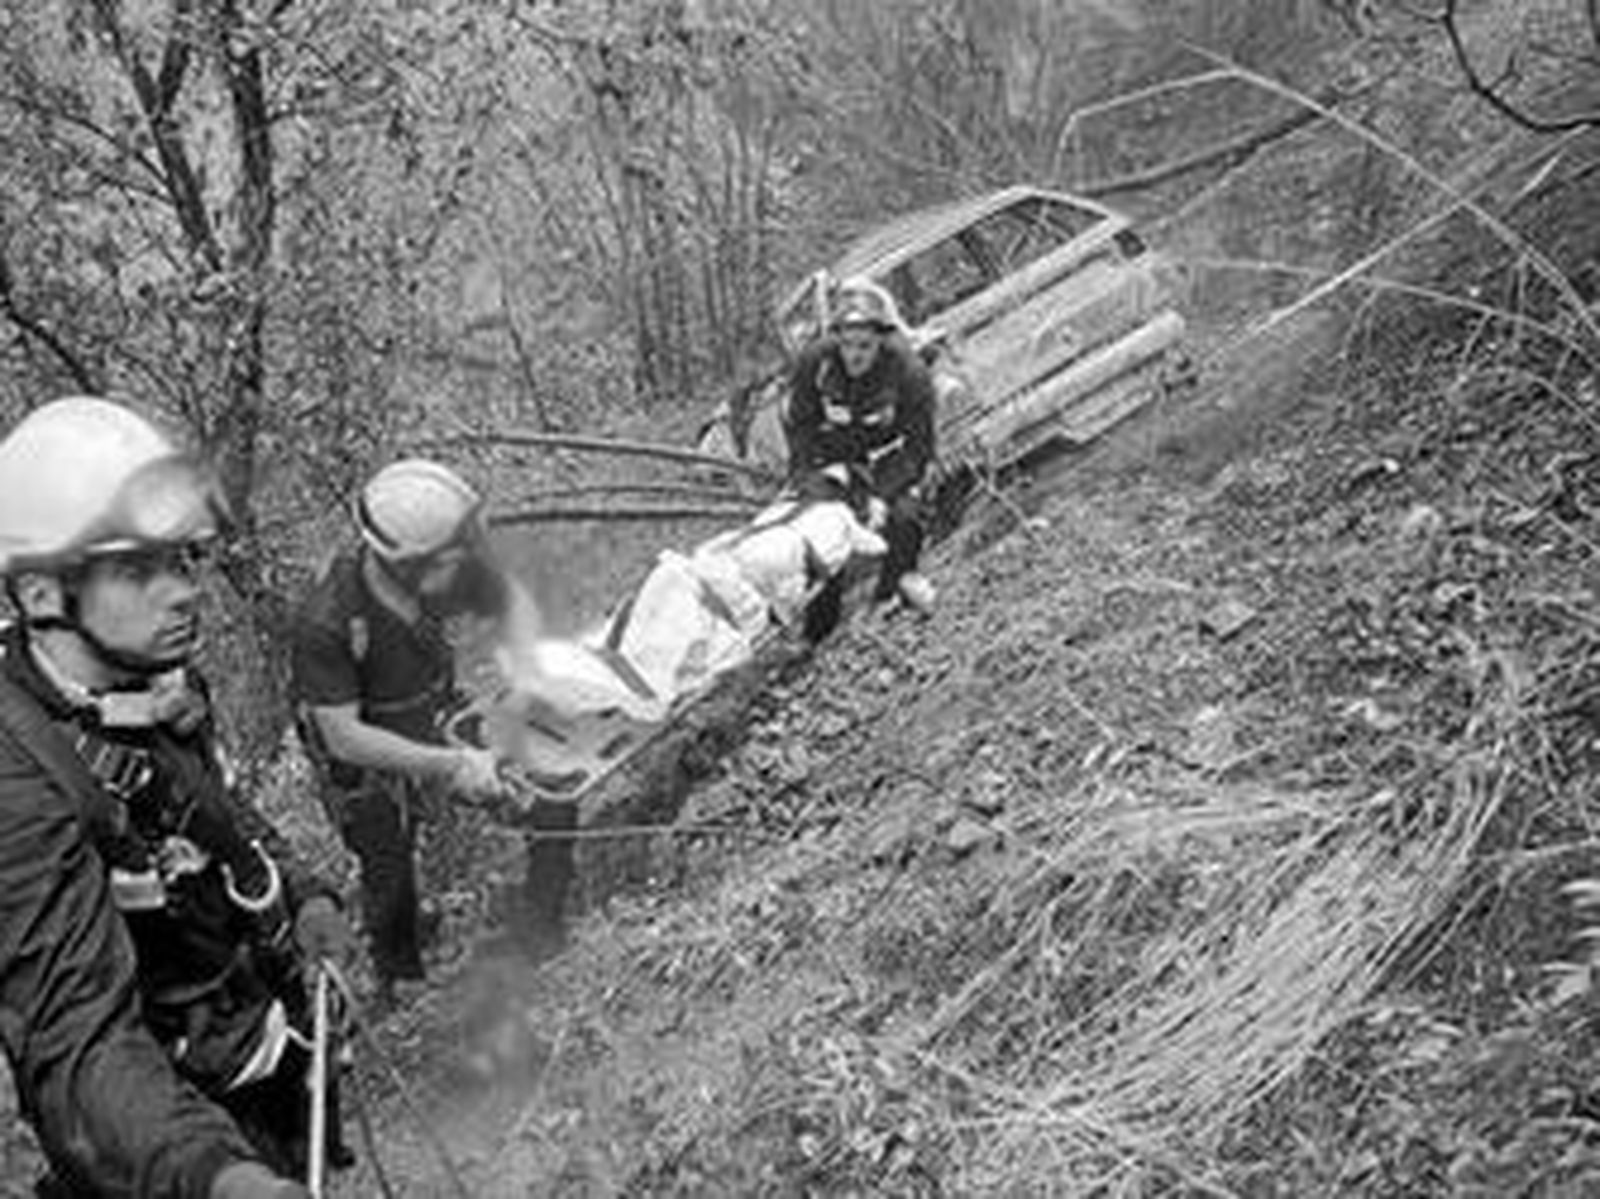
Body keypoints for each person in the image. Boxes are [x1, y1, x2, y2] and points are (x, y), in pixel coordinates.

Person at [0, 396, 329, 1198]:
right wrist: (220, 1179)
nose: (182, 591)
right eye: (137, 569)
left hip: (257, 1061)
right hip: (160, 1145)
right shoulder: (20, 779)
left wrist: (304, 892)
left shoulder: (152, 683)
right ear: (41, 593)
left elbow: (218, 809)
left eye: (183, 560)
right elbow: (76, 1037)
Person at [290, 460, 550, 1006]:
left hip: (432, 710)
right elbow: (344, 736)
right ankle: (400, 973)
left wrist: (520, 686)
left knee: (536, 772)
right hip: (365, 752)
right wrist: (452, 765)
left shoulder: (446, 570)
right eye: (449, 558)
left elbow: (510, 606)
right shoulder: (328, 621)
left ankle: (546, 906)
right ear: (404, 564)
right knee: (387, 858)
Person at [786, 279, 938, 638]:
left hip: (890, 458)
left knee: (904, 516)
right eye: (847, 344)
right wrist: (806, 476)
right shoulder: (815, 363)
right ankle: (816, 631)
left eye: (865, 346)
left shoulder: (908, 372)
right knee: (820, 524)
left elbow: (919, 448)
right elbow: (800, 426)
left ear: (881, 341)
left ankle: (889, 596)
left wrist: (882, 494)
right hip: (835, 459)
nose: (854, 355)